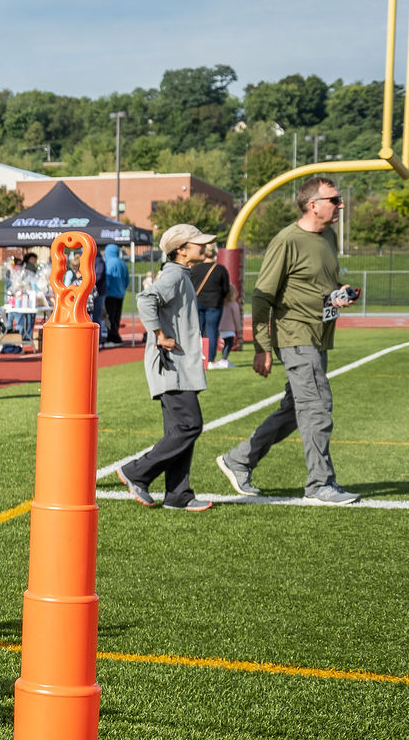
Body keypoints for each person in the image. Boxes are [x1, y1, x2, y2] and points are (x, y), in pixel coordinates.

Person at [216, 177, 360, 505]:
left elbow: (319, 285)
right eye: (334, 200)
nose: (340, 205)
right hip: (296, 336)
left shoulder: (328, 236)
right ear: (313, 205)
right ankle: (320, 485)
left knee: (296, 410)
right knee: (317, 406)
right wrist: (262, 347)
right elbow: (262, 296)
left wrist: (338, 294)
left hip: (319, 335)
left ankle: (239, 460)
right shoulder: (286, 241)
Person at [120, 226, 215, 512]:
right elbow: (145, 300)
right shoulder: (174, 275)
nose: (204, 246)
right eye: (197, 243)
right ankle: (136, 472)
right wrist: (160, 335)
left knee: (179, 429)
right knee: (189, 425)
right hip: (170, 365)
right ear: (181, 250)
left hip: (177, 365)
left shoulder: (181, 274)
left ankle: (178, 494)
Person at [188, 250, 233, 369]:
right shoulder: (220, 269)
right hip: (214, 304)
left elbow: (190, 286)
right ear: (214, 254)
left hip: (198, 302)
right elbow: (226, 288)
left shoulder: (195, 269)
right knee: (212, 331)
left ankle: (195, 357)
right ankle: (210, 359)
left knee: (197, 331)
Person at [99, 242, 129, 345]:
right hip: (120, 294)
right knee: (117, 316)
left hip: (110, 294)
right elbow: (127, 280)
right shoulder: (123, 263)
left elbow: (107, 280)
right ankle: (115, 335)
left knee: (109, 316)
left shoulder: (108, 263)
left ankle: (111, 337)